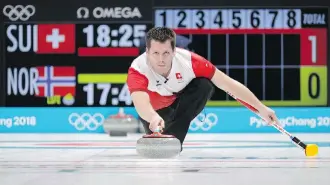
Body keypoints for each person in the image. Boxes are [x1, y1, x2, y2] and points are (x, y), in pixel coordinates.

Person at [126, 27, 280, 149]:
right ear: (147, 52)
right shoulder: (138, 69)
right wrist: (153, 117)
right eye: (155, 53)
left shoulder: (190, 62)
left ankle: (173, 139)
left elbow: (228, 84)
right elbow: (141, 103)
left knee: (204, 85)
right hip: (155, 112)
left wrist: (261, 108)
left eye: (166, 53)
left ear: (174, 51)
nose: (161, 59)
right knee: (153, 123)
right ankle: (166, 135)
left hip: (180, 106)